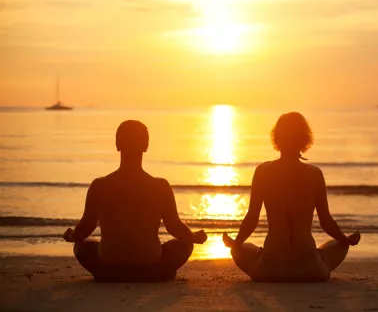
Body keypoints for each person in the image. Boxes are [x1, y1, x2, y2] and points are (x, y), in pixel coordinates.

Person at [223, 112, 360, 282]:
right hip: (310, 269)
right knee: (339, 246)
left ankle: (263, 256)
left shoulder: (263, 171)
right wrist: (345, 239)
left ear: (277, 138)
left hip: (268, 269)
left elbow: (252, 218)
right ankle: (317, 258)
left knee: (241, 248)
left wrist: (235, 243)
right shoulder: (314, 174)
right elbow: (326, 222)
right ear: (305, 139)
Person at [63, 120, 207, 282]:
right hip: (149, 262)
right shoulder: (160, 186)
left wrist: (72, 236)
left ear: (118, 145)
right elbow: (174, 226)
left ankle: (110, 274)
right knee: (184, 245)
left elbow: (85, 227)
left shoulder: (99, 185)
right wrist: (193, 237)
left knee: (82, 245)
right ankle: (155, 273)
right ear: (146, 146)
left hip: (110, 263)